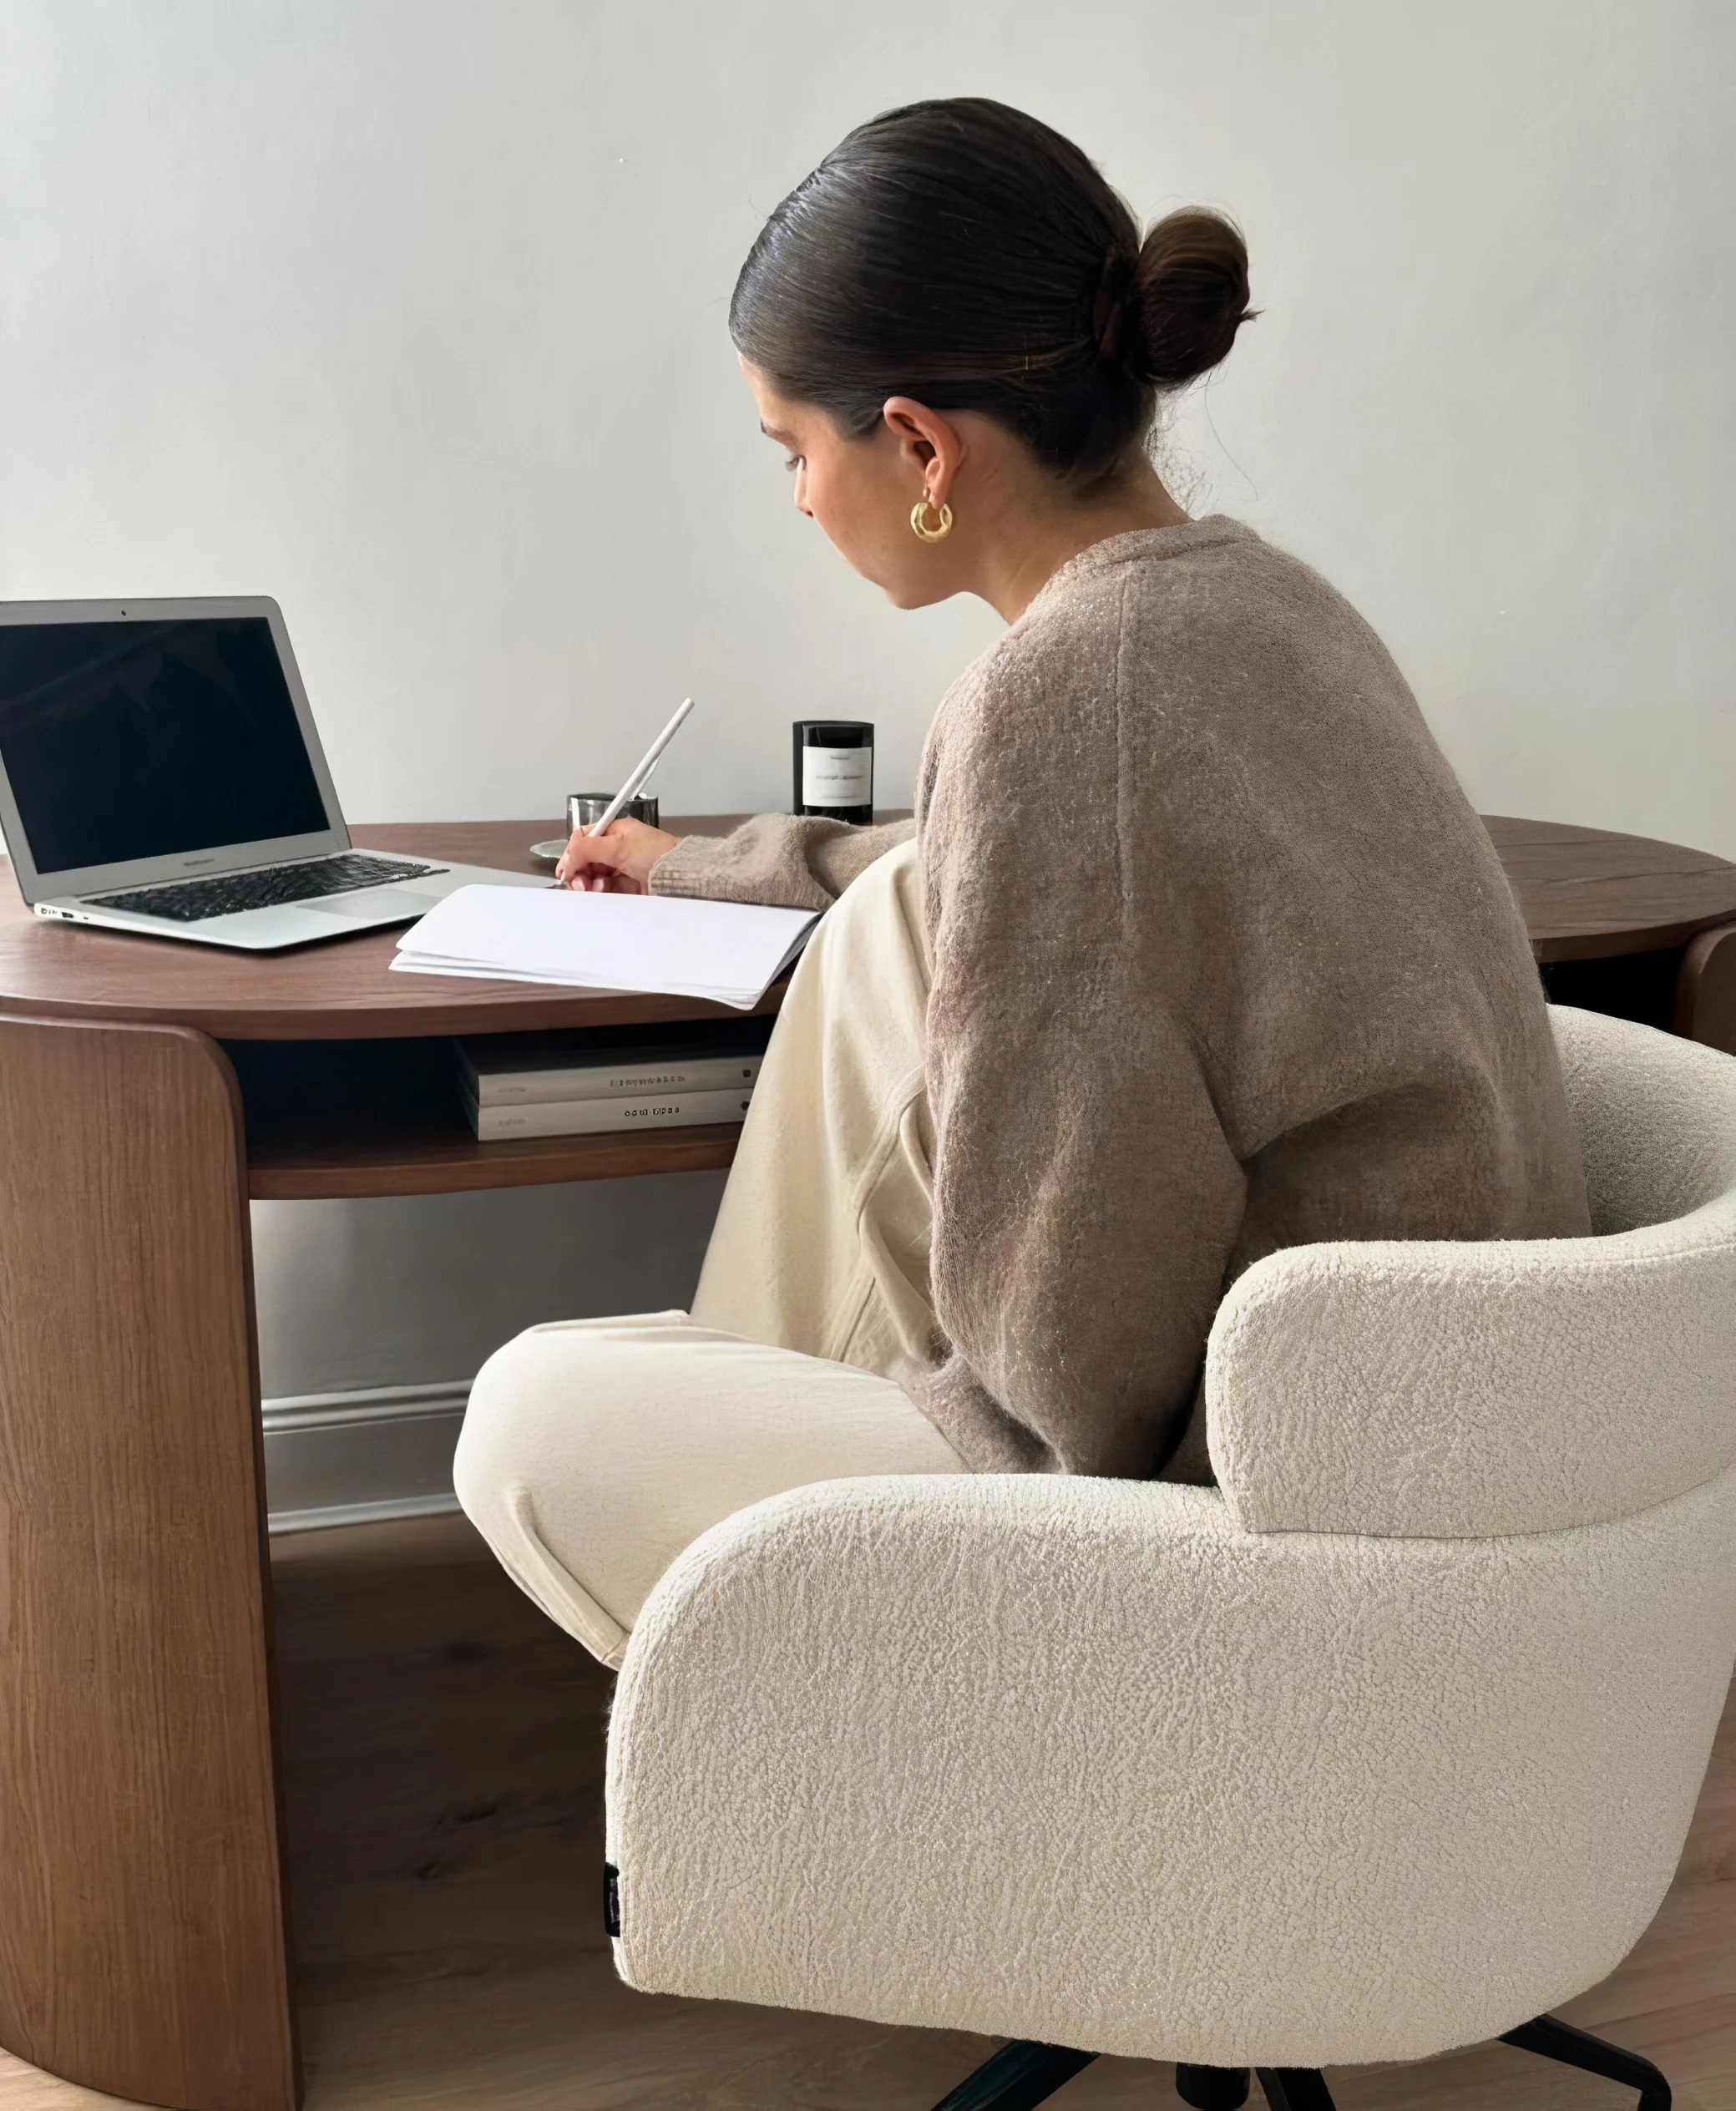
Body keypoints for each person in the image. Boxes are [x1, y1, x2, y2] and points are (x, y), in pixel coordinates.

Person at [454, 97, 1589, 1669]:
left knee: (531, 1420)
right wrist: (676, 863)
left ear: (917, 445)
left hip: (1260, 1508)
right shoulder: (1258, 604)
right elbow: (965, 878)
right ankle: (763, 1480)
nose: (794, 497)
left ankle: (785, 1652)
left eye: (792, 450)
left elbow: (1077, 1371)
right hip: (1456, 1433)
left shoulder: (1061, 700)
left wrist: (897, 1398)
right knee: (881, 934)